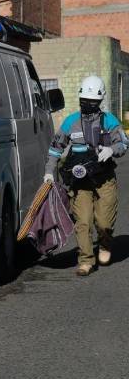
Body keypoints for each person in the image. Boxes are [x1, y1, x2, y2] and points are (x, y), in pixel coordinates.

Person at [43, 75, 127, 276]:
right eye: (85, 101)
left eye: (92, 101)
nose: (88, 104)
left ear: (100, 101)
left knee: (104, 222)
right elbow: (55, 148)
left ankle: (105, 244)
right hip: (79, 180)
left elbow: (123, 143)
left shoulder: (110, 121)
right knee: (83, 221)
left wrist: (112, 150)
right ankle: (86, 260)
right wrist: (49, 172)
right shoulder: (71, 122)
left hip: (104, 178)